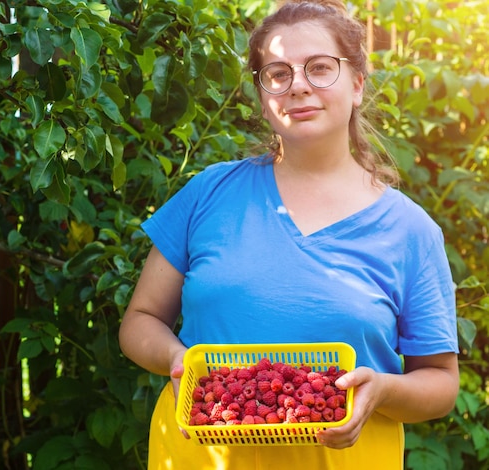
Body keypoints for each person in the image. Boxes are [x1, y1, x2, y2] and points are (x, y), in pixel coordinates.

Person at [118, 0, 460, 468]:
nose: (298, 85)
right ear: (262, 96)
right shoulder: (208, 194)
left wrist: (382, 390)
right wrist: (177, 359)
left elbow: (440, 382)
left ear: (358, 84)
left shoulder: (410, 231)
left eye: (320, 68)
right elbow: (140, 319)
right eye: (277, 74)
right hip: (200, 457)